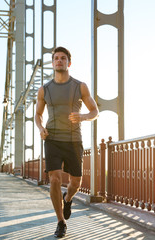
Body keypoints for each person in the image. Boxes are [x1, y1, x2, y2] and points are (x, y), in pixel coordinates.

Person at [35, 46, 99, 238]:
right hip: (52, 138)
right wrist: (40, 128)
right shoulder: (44, 89)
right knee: (54, 178)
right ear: (53, 63)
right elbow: (37, 115)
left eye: (63, 58)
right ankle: (60, 222)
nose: (59, 61)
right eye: (56, 58)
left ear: (68, 63)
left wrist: (83, 117)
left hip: (73, 140)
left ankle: (68, 198)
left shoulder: (80, 86)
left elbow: (95, 112)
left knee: (75, 183)